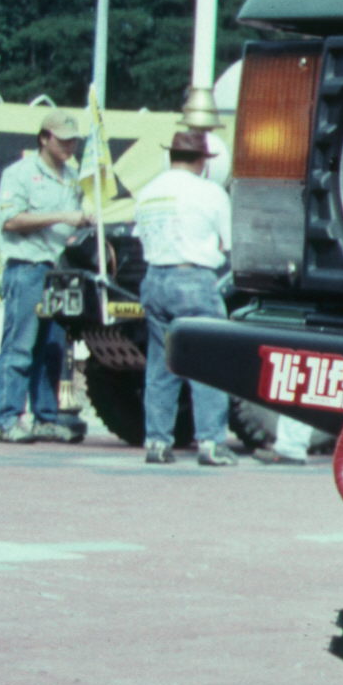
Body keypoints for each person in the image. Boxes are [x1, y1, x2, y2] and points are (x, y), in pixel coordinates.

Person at [133, 129, 237, 466]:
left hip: (154, 278)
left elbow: (140, 237)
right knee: (208, 363)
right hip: (193, 277)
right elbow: (229, 243)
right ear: (203, 161)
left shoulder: (148, 192)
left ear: (171, 156)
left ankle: (157, 442)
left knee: (161, 365)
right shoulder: (209, 192)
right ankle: (210, 442)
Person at [0, 111, 94, 445]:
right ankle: (9, 419)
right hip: (28, 267)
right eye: (62, 139)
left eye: (73, 140)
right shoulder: (19, 173)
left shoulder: (74, 176)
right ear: (43, 138)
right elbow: (10, 221)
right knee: (19, 346)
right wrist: (63, 216)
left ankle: (45, 418)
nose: (69, 146)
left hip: (60, 273)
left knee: (52, 348)